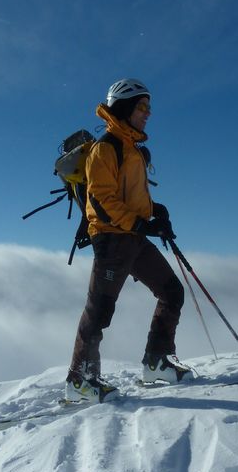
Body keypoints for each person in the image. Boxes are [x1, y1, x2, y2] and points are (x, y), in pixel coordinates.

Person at [65, 78, 196, 403]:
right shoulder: (106, 148)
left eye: (148, 107)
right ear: (124, 108)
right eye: (142, 106)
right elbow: (102, 200)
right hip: (111, 238)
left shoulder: (132, 149)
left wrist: (157, 213)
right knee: (99, 310)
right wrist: (141, 224)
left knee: (172, 292)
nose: (148, 113)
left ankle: (157, 362)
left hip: (132, 236)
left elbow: (133, 198)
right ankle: (80, 380)